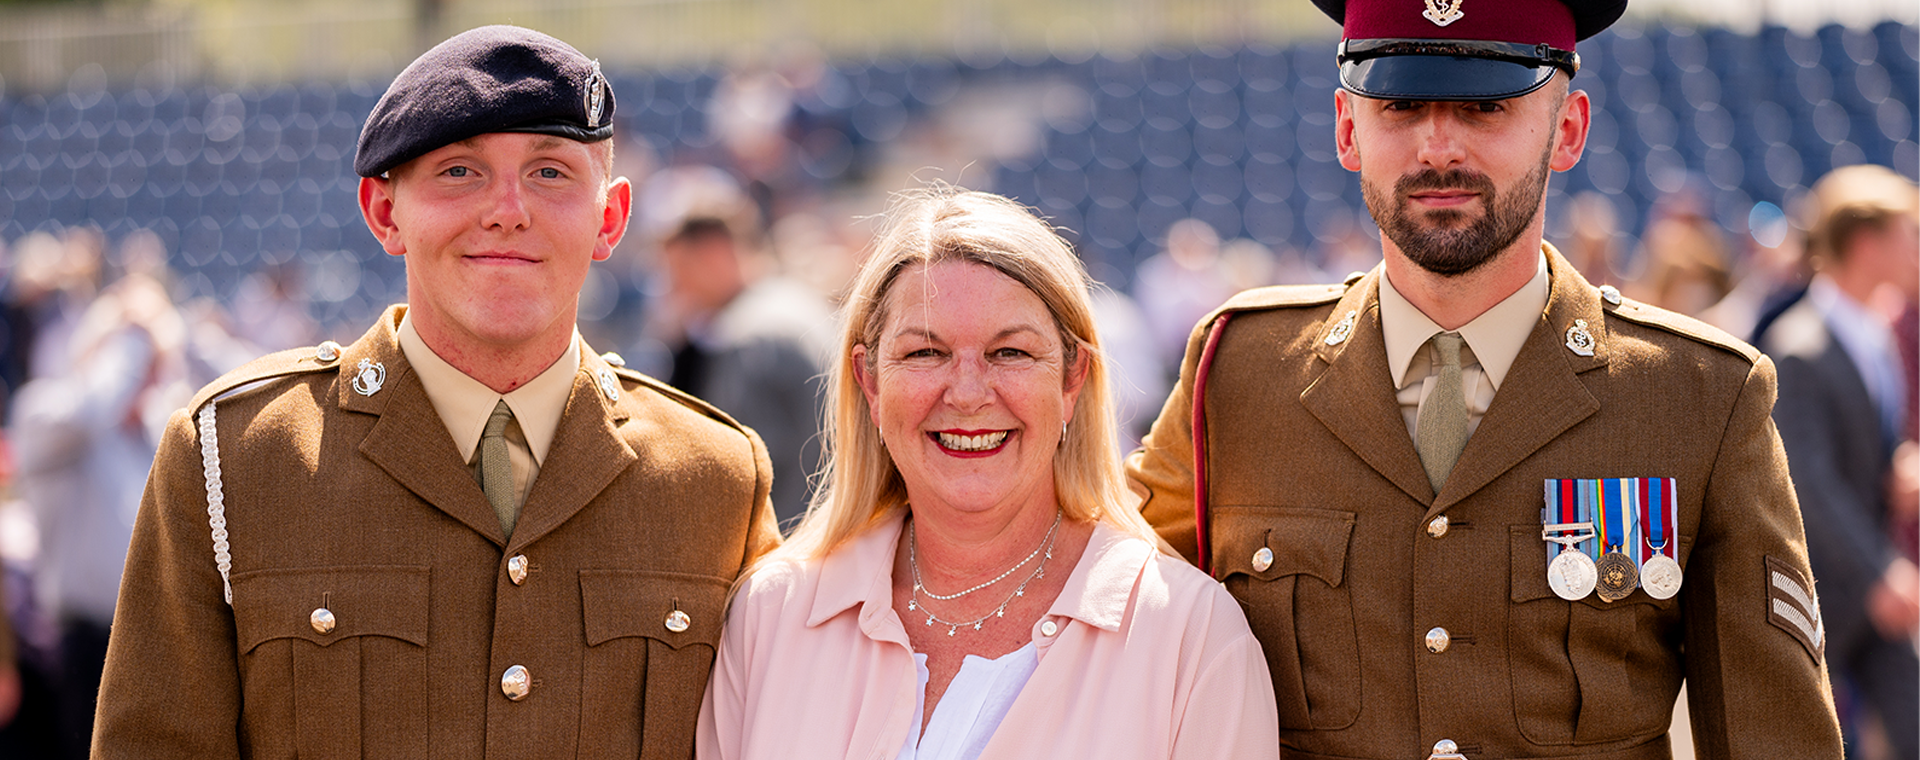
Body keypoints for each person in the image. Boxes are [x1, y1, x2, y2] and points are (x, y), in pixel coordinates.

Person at [1125, 0, 1846, 756]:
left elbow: (1775, 734)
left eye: (1485, 107)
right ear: (1347, 128)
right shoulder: (1238, 373)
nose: (1439, 147)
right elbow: (1109, 612)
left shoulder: (1698, 396)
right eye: (1401, 105)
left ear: (1567, 129)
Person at [92, 25, 781, 757]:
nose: (508, 209)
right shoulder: (233, 459)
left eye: (551, 172)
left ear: (609, 219)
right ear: (385, 213)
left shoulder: (716, 480)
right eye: (459, 171)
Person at [697, 188, 1278, 759]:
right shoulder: (769, 616)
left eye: (1011, 353)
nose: (968, 394)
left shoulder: (1191, 638)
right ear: (870, 381)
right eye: (925, 353)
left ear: (1073, 378)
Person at [1756, 163, 1918, 760]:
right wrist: (1881, 572)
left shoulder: (1875, 334)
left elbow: (1856, 449)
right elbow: (1809, 480)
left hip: (1870, 589)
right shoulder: (1800, 346)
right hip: (1820, 592)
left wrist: (1897, 464)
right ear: (1867, 243)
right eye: (1909, 235)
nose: (1917, 250)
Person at [11, 274, 190, 758]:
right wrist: (128, 344)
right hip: (83, 648)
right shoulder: (50, 415)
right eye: (138, 366)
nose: (147, 380)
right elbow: (89, 411)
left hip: (157, 648)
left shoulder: (151, 436)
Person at [644, 168, 833, 526]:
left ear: (715, 254)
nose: (673, 287)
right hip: (831, 532)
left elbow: (733, 476)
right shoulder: (795, 302)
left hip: (790, 543)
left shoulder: (746, 338)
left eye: (679, 268)